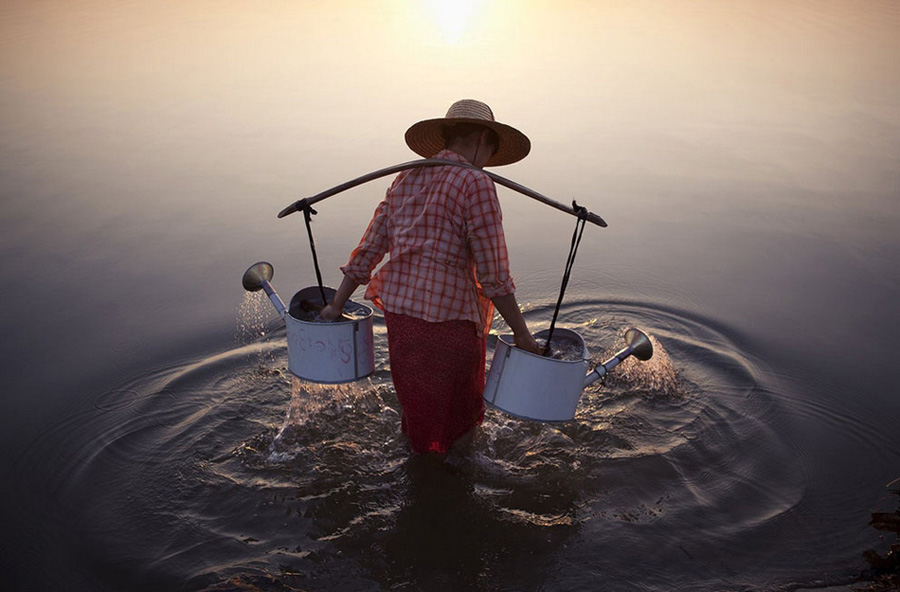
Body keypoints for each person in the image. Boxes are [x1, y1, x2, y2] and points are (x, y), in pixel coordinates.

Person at [321, 99, 540, 455]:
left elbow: (368, 251)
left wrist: (335, 305)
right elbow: (494, 275)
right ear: (483, 137)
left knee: (418, 416)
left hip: (402, 322)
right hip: (449, 327)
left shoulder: (406, 178)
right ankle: (447, 492)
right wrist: (522, 335)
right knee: (458, 427)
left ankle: (419, 481)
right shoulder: (476, 183)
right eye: (491, 150)